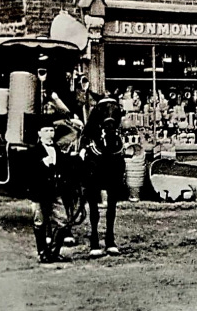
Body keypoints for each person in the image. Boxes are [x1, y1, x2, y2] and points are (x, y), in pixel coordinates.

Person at [79, 90, 125, 257]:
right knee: (80, 154)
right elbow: (87, 133)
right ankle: (94, 240)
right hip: (93, 141)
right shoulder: (93, 124)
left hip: (112, 148)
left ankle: (110, 240)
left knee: (112, 202)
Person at [28, 123, 76, 263]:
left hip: (55, 191)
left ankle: (54, 252)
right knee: (40, 222)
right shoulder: (33, 151)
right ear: (39, 133)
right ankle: (42, 253)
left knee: (62, 221)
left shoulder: (56, 149)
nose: (49, 133)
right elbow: (29, 173)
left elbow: (65, 165)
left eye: (51, 130)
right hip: (39, 193)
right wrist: (42, 165)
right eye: (46, 130)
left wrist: (78, 156)